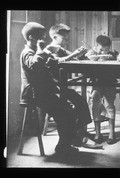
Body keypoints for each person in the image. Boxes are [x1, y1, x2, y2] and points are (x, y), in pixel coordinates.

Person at [20, 22, 81, 155]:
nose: (44, 41)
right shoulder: (27, 52)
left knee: (68, 109)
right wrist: (42, 50)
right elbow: (35, 65)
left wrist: (52, 57)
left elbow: (50, 64)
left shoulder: (37, 51)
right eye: (41, 38)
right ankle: (64, 145)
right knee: (64, 112)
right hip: (34, 94)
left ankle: (66, 142)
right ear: (31, 38)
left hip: (44, 92)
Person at [44, 23, 101, 148]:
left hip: (62, 86)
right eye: (64, 38)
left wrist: (80, 54)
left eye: (67, 38)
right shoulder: (48, 49)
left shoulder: (61, 50)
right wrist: (74, 55)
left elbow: (72, 58)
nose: (67, 40)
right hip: (53, 88)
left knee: (81, 101)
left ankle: (82, 134)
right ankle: (79, 136)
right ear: (54, 37)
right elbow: (57, 61)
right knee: (75, 104)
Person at [85, 35, 118, 144]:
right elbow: (86, 56)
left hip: (110, 83)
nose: (103, 52)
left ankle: (112, 134)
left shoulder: (112, 54)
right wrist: (93, 55)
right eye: (100, 49)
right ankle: (98, 133)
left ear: (109, 48)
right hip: (96, 83)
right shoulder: (92, 53)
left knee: (110, 106)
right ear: (96, 46)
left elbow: (116, 57)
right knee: (95, 106)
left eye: (106, 50)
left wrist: (111, 55)